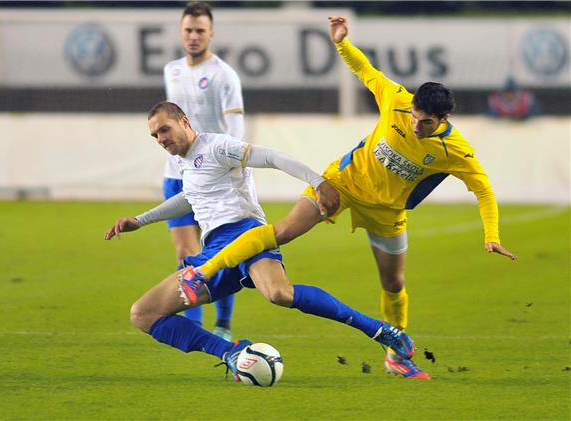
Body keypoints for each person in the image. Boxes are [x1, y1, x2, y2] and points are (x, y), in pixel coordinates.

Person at [181, 16, 518, 380]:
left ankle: (396, 354)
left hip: (386, 212)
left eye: (426, 123)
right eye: (415, 118)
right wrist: (342, 43)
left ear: (445, 118)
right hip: (340, 185)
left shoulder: (456, 150)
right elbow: (366, 70)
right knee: (282, 232)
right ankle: (201, 271)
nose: (416, 127)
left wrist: (491, 235)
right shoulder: (397, 101)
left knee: (394, 283)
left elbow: (483, 190)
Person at [104, 101, 417, 381]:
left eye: (164, 130)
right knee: (143, 314)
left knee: (279, 293)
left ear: (184, 120)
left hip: (245, 233)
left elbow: (271, 157)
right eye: (155, 136)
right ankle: (230, 352)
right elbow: (191, 197)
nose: (161, 139)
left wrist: (318, 182)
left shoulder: (216, 146)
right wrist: (141, 220)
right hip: (214, 247)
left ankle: (380, 330)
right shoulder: (184, 161)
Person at [162, 2, 245, 340]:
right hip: (176, 174)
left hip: (212, 176)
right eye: (188, 30)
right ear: (181, 33)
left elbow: (236, 126)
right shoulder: (172, 70)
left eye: (200, 30)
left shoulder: (225, 75)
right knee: (185, 253)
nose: (193, 36)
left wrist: (226, 163)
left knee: (219, 254)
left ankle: (223, 324)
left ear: (211, 34)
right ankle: (194, 325)